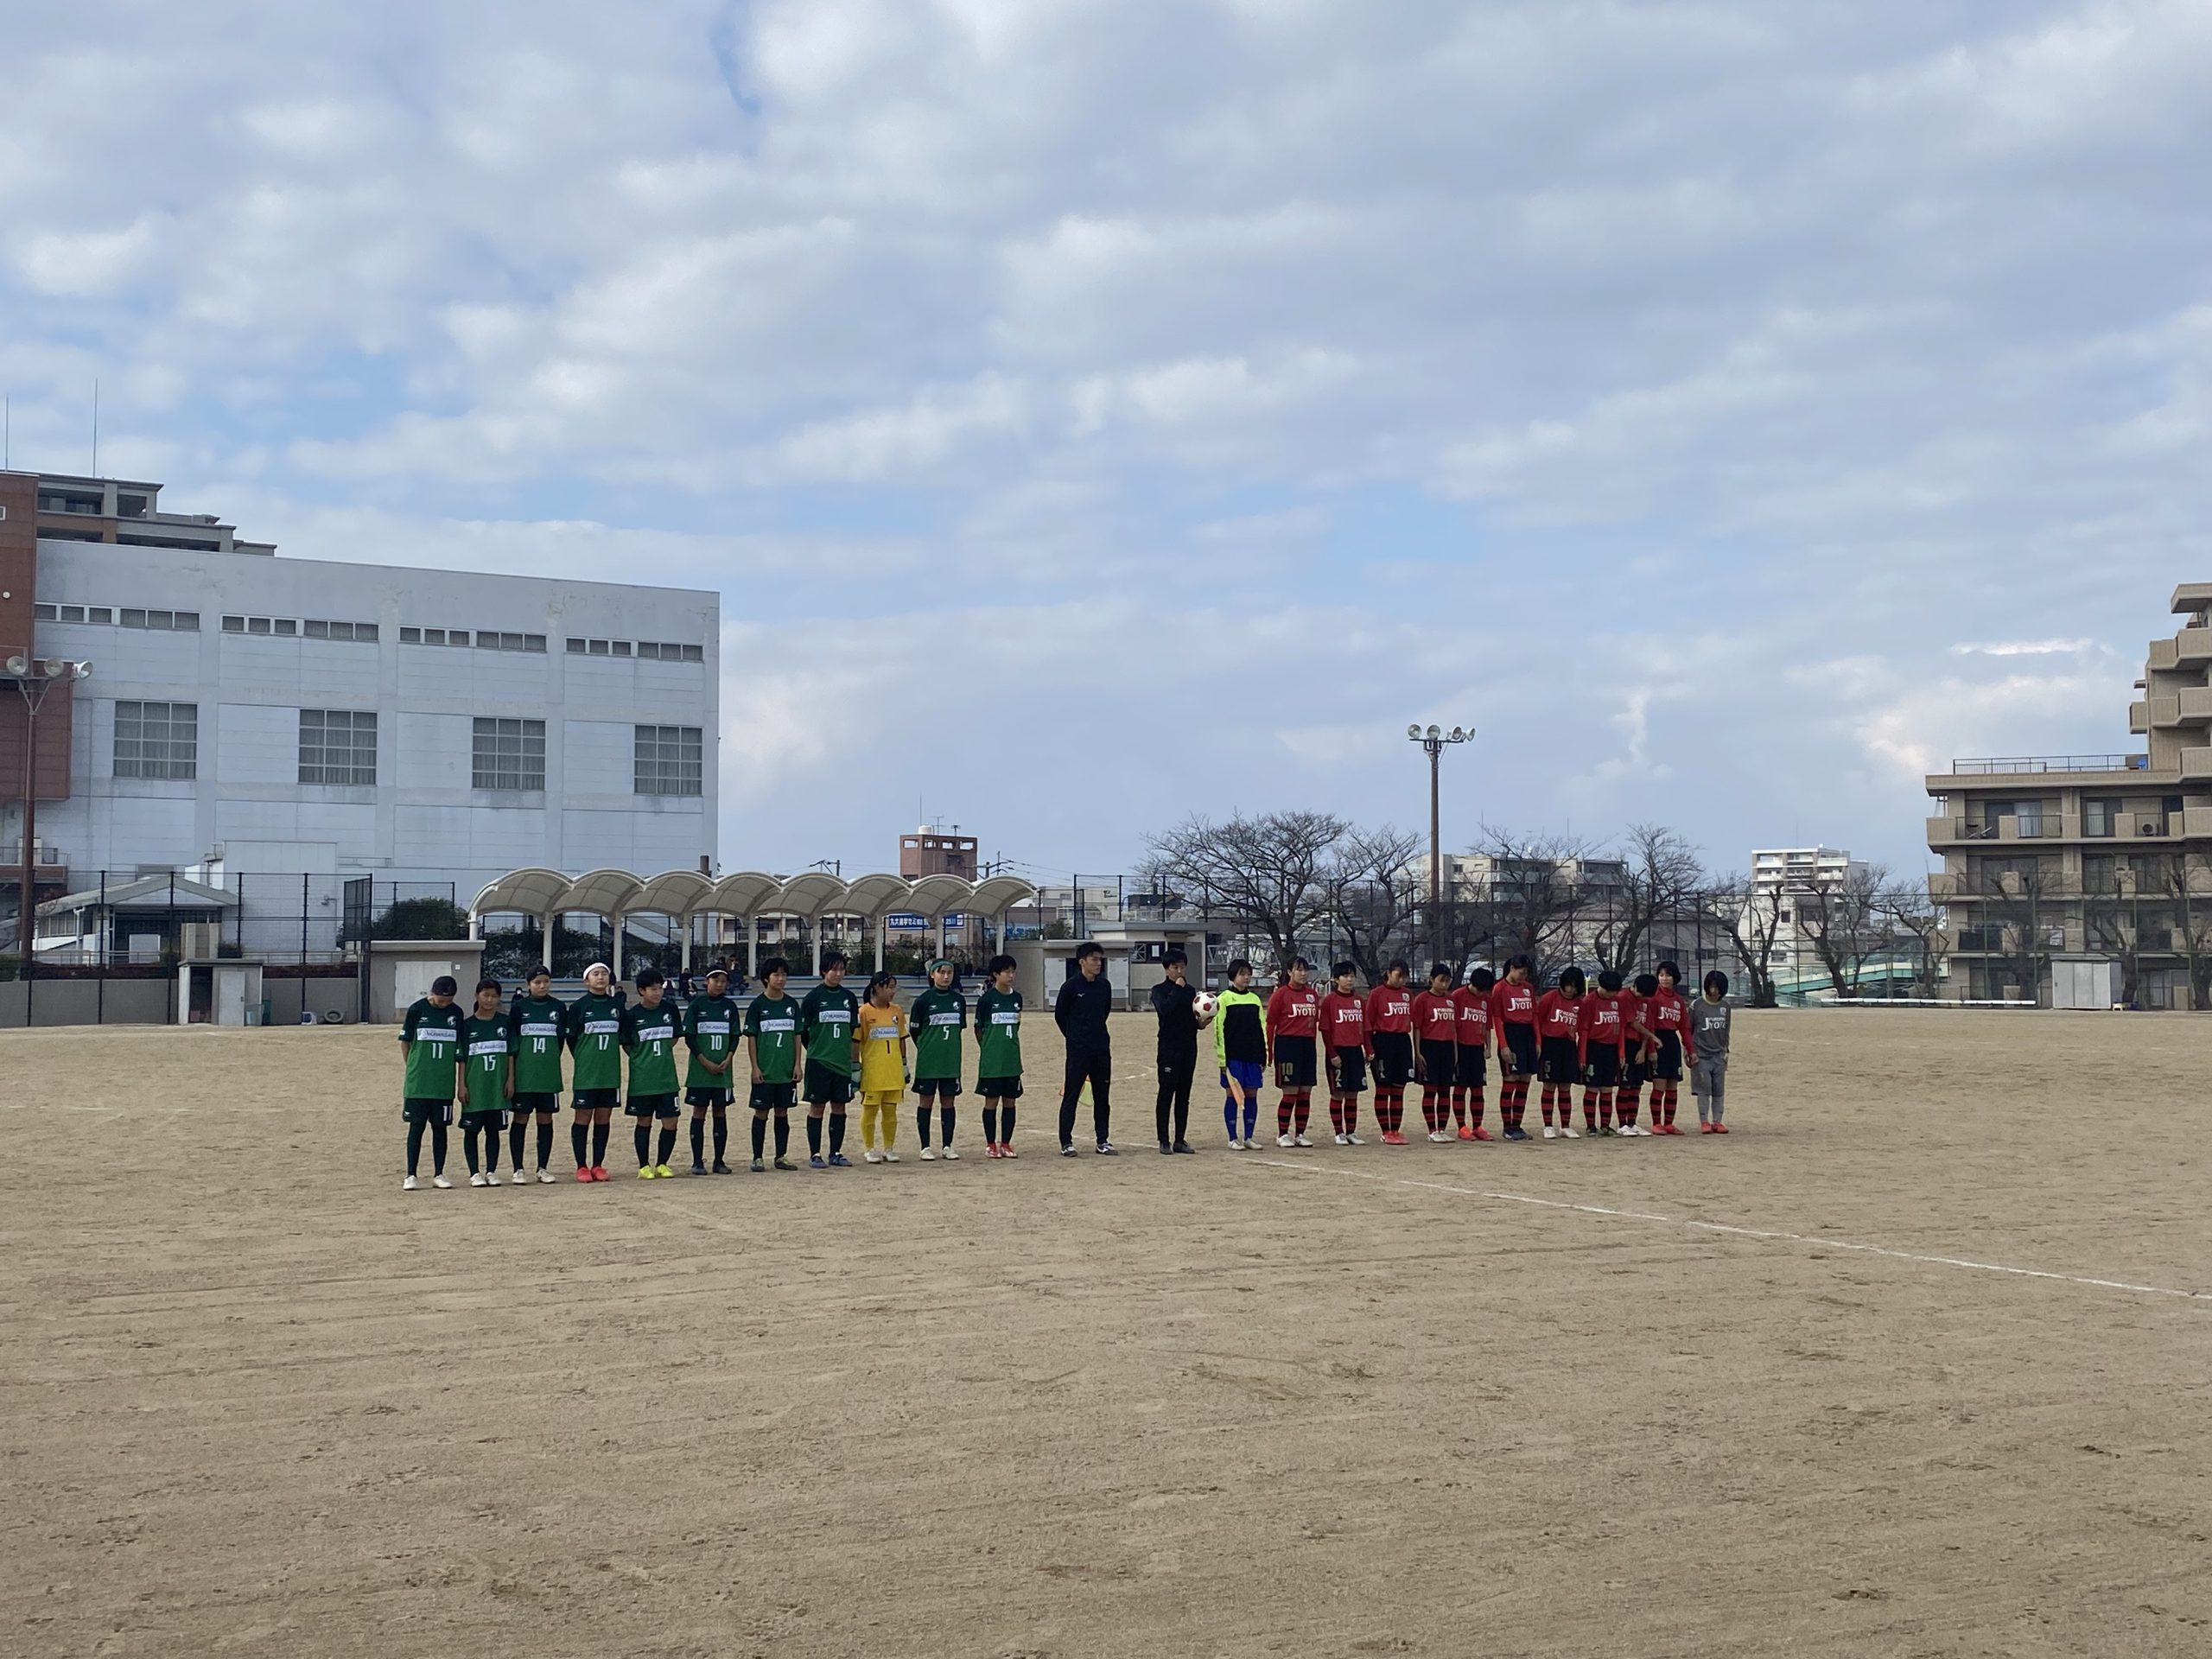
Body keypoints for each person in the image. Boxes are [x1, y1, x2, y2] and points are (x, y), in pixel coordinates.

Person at [398, 974, 463, 1190]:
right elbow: (405, 1041)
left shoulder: (456, 1013)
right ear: (432, 993)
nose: (443, 1004)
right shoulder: (417, 1010)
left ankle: (439, 1173)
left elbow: (460, 1049)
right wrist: (413, 1067)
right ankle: (411, 1175)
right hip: (419, 1083)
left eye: (448, 1000)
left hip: (443, 1083)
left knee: (440, 1128)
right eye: (440, 1000)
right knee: (416, 1128)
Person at [505, 964, 566, 1184]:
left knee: (545, 1119)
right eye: (537, 982)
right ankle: (518, 1168)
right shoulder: (519, 1007)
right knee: (520, 1118)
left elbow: (560, 1041)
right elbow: (512, 1041)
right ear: (529, 984)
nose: (542, 986)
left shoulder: (558, 1007)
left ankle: (542, 1167)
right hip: (524, 1075)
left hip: (548, 1075)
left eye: (546, 982)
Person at [798, 952, 861, 1169]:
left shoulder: (849, 998)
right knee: (817, 1107)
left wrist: (854, 1064)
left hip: (842, 1063)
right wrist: (818, 1049)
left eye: (842, 969)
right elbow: (803, 1032)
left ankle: (835, 1152)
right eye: (834, 969)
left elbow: (853, 1032)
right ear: (824, 971)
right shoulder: (813, 998)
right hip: (819, 1062)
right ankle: (815, 1154)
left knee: (840, 1107)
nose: (838, 973)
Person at [564, 962, 626, 1180]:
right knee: (582, 1118)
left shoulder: (616, 1005)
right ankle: (581, 1166)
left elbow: (623, 1036)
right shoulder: (579, 1007)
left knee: (603, 1118)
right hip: (587, 1073)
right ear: (586, 980)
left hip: (609, 1072)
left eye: (604, 974)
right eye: (596, 974)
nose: (601, 977)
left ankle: (598, 1165)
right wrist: (584, 1058)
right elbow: (571, 1039)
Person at [1054, 942, 1116, 1155]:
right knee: (1071, 1095)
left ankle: (1102, 1140)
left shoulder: (1104, 986)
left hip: (1101, 1049)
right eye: (1094, 959)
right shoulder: (1070, 987)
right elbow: (1060, 1016)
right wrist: (1074, 1037)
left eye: (1100, 959)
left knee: (1102, 1097)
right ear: (1082, 962)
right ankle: (1066, 1142)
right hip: (1078, 1050)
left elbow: (1104, 1012)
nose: (1098, 963)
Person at [623, 967, 683, 1178]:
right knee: (644, 1121)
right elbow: (628, 1045)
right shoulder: (632, 1016)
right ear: (641, 991)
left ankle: (662, 1163)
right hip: (643, 1079)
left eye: (660, 988)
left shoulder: (670, 1010)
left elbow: (675, 1037)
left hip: (667, 1077)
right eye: (653, 989)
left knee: (671, 1122)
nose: (657, 993)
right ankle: (644, 1165)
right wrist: (643, 1059)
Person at [744, 957, 803, 1171]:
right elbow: (751, 1037)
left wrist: (797, 1064)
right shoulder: (758, 1005)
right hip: (765, 1071)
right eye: (776, 975)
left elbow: (797, 1036)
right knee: (761, 1112)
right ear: (766, 978)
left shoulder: (791, 1004)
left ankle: (781, 1156)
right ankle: (757, 1157)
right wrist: (755, 1067)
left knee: (782, 1112)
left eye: (784, 975)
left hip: (786, 1070)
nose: (781, 979)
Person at [682, 964, 741, 1173]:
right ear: (707, 982)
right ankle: (697, 1162)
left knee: (720, 1112)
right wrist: (704, 1061)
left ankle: (719, 1160)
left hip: (723, 1070)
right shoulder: (697, 1005)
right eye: (715, 980)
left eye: (723, 981)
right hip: (700, 1071)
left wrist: (729, 1058)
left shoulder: (729, 1006)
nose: (719, 984)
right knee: (699, 1112)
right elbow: (689, 1037)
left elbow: (735, 1036)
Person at [909, 958, 967, 1160]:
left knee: (948, 1103)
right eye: (941, 972)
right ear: (932, 975)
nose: (945, 976)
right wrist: (928, 1048)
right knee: (925, 1102)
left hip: (950, 1061)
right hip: (928, 1062)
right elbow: (914, 1031)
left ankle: (947, 1145)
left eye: (949, 973)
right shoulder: (923, 1001)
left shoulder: (958, 1000)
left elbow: (959, 1028)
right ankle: (925, 1146)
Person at [1148, 948, 1205, 1154]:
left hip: (1189, 1047)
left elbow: (1191, 1018)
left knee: (1184, 1095)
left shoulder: (1190, 991)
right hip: (1168, 1048)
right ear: (1166, 969)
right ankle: (1164, 1139)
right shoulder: (1159, 990)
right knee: (1166, 1093)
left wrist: (1201, 1022)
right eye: (1175, 967)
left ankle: (1180, 1139)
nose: (1180, 971)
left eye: (1182, 967)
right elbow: (1166, 1011)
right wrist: (1177, 989)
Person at [456, 977, 512, 1185]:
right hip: (474, 1087)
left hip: (497, 1087)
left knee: (493, 1131)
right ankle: (474, 1173)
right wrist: (461, 1084)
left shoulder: (504, 1023)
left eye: (494, 996)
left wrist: (510, 1081)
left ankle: (491, 1171)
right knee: (471, 1131)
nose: (489, 1000)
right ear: (477, 996)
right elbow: (462, 1059)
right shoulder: (467, 1026)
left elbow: (510, 1055)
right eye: (485, 995)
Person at [1266, 957, 1320, 1147]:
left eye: (1306, 970)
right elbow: (1271, 1024)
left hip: (1307, 1045)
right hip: (1287, 1044)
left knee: (1305, 1091)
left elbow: (1314, 1024)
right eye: (1299, 970)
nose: (1303, 974)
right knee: (1290, 1091)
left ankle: (1300, 1133)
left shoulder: (1313, 995)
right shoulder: (1281, 995)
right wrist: (1270, 1050)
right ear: (1289, 972)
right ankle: (1282, 1134)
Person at [975, 954, 1025, 1158]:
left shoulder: (1017, 998)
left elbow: (1017, 1025)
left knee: (1010, 1102)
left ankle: (1006, 1143)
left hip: (1012, 1060)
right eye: (1007, 972)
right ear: (996, 974)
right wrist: (988, 1048)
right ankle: (990, 1144)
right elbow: (978, 1029)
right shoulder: (987, 1000)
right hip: (992, 1061)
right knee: (991, 1102)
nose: (1011, 975)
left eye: (1013, 971)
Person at [856, 970, 910, 1161]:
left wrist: (904, 1064)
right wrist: (856, 1067)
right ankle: (869, 1148)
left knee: (890, 1111)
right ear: (877, 988)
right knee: (870, 1110)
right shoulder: (863, 1012)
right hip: (873, 1071)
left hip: (893, 1070)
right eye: (890, 987)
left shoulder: (896, 1011)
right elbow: (856, 1041)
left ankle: (889, 1148)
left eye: (894, 987)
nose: (892, 991)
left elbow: (902, 1038)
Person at [1214, 960, 1268, 1149]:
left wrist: (1264, 1055)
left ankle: (1249, 1137)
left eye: (1248, 973)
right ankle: (1232, 1138)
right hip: (1233, 1056)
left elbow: (1262, 1028)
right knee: (1234, 1095)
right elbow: (1219, 1030)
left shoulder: (1254, 999)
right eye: (1242, 974)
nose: (1246, 977)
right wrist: (1222, 1059)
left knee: (1252, 1094)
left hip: (1252, 1055)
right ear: (1233, 976)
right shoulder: (1224, 999)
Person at [1363, 962, 1415, 1146]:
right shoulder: (1376, 994)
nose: (1402, 980)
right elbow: (1367, 1024)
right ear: (1389, 973)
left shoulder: (1407, 995)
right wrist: (1369, 1049)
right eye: (1398, 975)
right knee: (1383, 1088)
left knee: (1399, 1089)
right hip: (1383, 1042)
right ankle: (1385, 1130)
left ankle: (1395, 1129)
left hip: (1402, 1042)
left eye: (1405, 976)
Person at [1488, 957, 1540, 1141]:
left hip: (1527, 1035)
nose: (1523, 976)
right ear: (1512, 968)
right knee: (1511, 1078)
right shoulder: (1500, 989)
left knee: (1525, 1080)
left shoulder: (1528, 989)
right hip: (1510, 1033)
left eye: (1526, 973)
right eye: (1521, 972)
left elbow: (1534, 1015)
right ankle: (1507, 1126)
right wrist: (1503, 1045)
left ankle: (1518, 1124)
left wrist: (1538, 1041)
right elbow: (1497, 1018)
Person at [1533, 966, 1587, 1140]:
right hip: (1550, 1044)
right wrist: (1539, 1044)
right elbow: (1538, 1022)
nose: (1571, 990)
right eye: (1569, 985)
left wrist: (1581, 1056)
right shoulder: (1549, 998)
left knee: (1566, 1087)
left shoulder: (1580, 1004)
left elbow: (1582, 1030)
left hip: (1569, 1045)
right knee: (1549, 1085)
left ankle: (1565, 1125)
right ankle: (1548, 1125)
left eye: (1575, 987)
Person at [1319, 962, 1370, 1145]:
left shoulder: (1359, 1001)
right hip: (1338, 1052)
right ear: (1336, 979)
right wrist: (1332, 1054)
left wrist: (1368, 1049)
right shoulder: (1330, 1002)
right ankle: (1338, 1132)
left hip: (1355, 1051)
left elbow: (1365, 1028)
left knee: (1353, 1093)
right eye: (1345, 976)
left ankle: (1351, 1132)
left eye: (1352, 976)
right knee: (1338, 1093)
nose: (1349, 980)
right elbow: (1325, 1030)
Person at [1410, 963, 1459, 1143]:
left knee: (1445, 1090)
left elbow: (1453, 1028)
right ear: (1431, 980)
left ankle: (1442, 1128)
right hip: (1429, 1046)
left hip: (1446, 1047)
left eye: (1447, 981)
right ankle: (1431, 1129)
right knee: (1430, 1090)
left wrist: (1455, 1052)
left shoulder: (1451, 1000)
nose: (1444, 984)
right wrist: (1418, 1052)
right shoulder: (1422, 999)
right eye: (1441, 980)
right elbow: (1417, 1028)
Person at [1645, 962, 1690, 1134]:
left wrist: (1690, 1050)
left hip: (1672, 1042)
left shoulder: (1678, 1000)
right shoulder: (1653, 998)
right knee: (1660, 1084)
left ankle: (1669, 1123)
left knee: (1673, 1084)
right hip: (1658, 1040)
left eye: (1668, 975)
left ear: (1675, 977)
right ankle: (1656, 1123)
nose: (1664, 979)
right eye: (1661, 975)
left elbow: (1684, 1027)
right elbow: (1649, 1025)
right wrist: (1651, 1049)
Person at [1582, 970, 1628, 1135]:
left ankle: (1605, 1125)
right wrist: (1582, 1056)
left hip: (1611, 1049)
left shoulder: (1618, 1001)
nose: (1613, 995)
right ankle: (1590, 1126)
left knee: (1608, 1089)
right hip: (1594, 1048)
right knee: (1592, 1088)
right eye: (1611, 992)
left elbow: (1621, 1027)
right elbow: (1584, 1030)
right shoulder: (1589, 1001)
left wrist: (1622, 1052)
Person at [1452, 966, 1496, 1141]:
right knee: (1461, 1087)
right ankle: (1461, 1126)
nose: (1480, 994)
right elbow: (1453, 1027)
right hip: (1462, 1047)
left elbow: (1487, 1025)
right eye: (1479, 990)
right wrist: (1454, 1052)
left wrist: (1488, 1047)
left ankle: (1478, 1125)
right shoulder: (1457, 997)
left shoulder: (1486, 1000)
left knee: (1478, 1089)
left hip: (1478, 1048)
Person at [1691, 969, 1733, 1133]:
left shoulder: (1725, 1007)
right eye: (1711, 987)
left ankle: (1717, 1121)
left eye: (1717, 988)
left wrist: (1726, 1052)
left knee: (1718, 1089)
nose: (1714, 991)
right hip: (1701, 1055)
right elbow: (1688, 1029)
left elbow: (1726, 1031)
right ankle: (1704, 1121)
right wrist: (1689, 1052)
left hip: (1718, 1055)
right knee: (1704, 1088)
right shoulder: (1697, 1006)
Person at [1618, 970, 1655, 1135]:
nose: (1642, 998)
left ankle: (1632, 1122)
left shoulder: (1646, 1001)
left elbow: (1647, 1025)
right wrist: (1653, 1037)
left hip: (1639, 1044)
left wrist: (1644, 1048)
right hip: (1625, 1044)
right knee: (1625, 1085)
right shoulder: (1624, 998)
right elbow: (1632, 1023)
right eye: (1640, 994)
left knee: (1636, 1086)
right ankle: (1622, 1124)